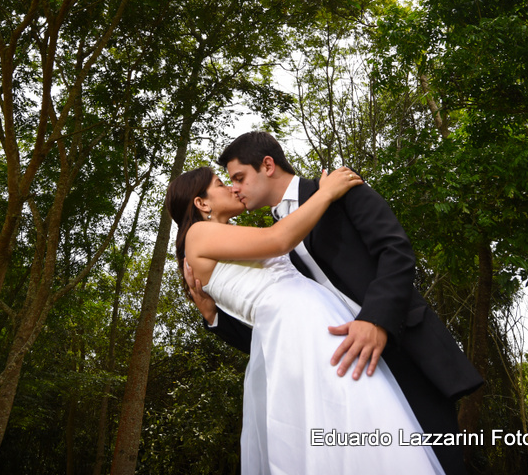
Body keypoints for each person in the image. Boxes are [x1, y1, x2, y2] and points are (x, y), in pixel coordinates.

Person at [185, 131, 483, 475]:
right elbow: (276, 335)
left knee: (436, 462)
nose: (235, 188)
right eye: (228, 182)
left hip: (404, 348)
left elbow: (396, 253)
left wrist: (375, 321)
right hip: (344, 372)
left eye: (239, 178)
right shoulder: (273, 242)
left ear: (267, 165)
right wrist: (213, 317)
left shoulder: (340, 188)